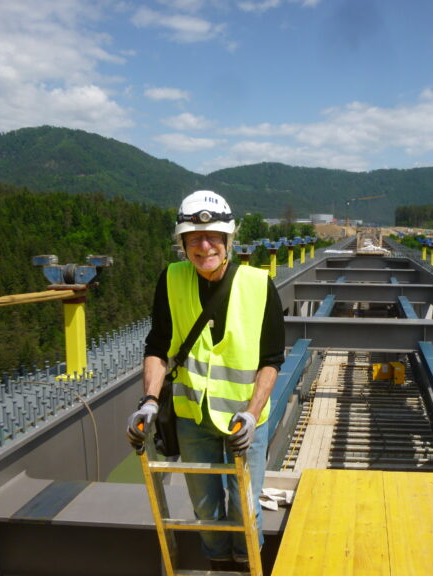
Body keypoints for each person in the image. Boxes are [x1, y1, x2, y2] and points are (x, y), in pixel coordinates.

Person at [126, 190, 285, 571]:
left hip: (242, 420)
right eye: (194, 237)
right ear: (182, 242)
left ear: (229, 239)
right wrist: (149, 401)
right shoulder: (171, 279)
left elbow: (271, 360)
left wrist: (251, 413)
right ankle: (218, 562)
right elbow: (158, 346)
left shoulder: (259, 286)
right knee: (205, 506)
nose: (205, 245)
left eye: (214, 235)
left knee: (245, 505)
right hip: (192, 417)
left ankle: (248, 563)